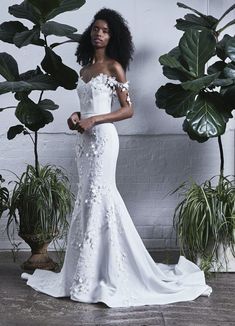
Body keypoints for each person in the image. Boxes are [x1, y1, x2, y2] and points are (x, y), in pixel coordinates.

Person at [21, 8, 212, 308]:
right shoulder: (85, 70)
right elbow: (85, 106)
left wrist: (94, 121)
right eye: (96, 28)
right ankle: (84, 272)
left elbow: (128, 110)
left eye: (105, 30)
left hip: (103, 140)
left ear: (113, 37)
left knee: (101, 196)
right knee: (86, 198)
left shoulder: (115, 67)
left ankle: (104, 272)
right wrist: (76, 117)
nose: (99, 33)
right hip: (83, 142)